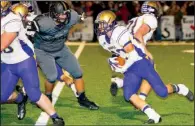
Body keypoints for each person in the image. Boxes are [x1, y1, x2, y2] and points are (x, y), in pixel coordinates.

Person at [95, 10, 194, 124]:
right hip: (130, 66)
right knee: (128, 95)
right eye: (99, 24)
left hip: (140, 61)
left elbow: (132, 54)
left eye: (102, 24)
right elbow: (119, 53)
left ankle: (179, 88)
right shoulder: (103, 39)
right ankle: (153, 115)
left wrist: (122, 68)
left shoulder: (119, 32)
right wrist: (114, 61)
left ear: (110, 23)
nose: (99, 27)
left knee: (162, 92)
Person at [1, 2, 65, 125]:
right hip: (6, 62)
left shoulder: (12, 19)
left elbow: (3, 44)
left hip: (24, 61)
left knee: (34, 94)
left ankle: (56, 118)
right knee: (2, 96)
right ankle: (20, 99)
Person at [29, 1, 99, 110]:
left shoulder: (72, 16)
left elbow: (81, 18)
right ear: (53, 14)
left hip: (61, 48)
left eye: (65, 13)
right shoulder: (42, 22)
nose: (64, 16)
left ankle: (82, 99)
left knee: (78, 72)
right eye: (60, 14)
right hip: (43, 51)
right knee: (51, 77)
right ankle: (47, 97)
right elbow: (26, 35)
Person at [110, 2, 159, 101]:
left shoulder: (136, 19)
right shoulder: (151, 18)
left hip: (122, 50)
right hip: (133, 49)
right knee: (150, 71)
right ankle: (141, 99)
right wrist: (145, 51)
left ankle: (119, 82)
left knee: (136, 76)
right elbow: (138, 34)